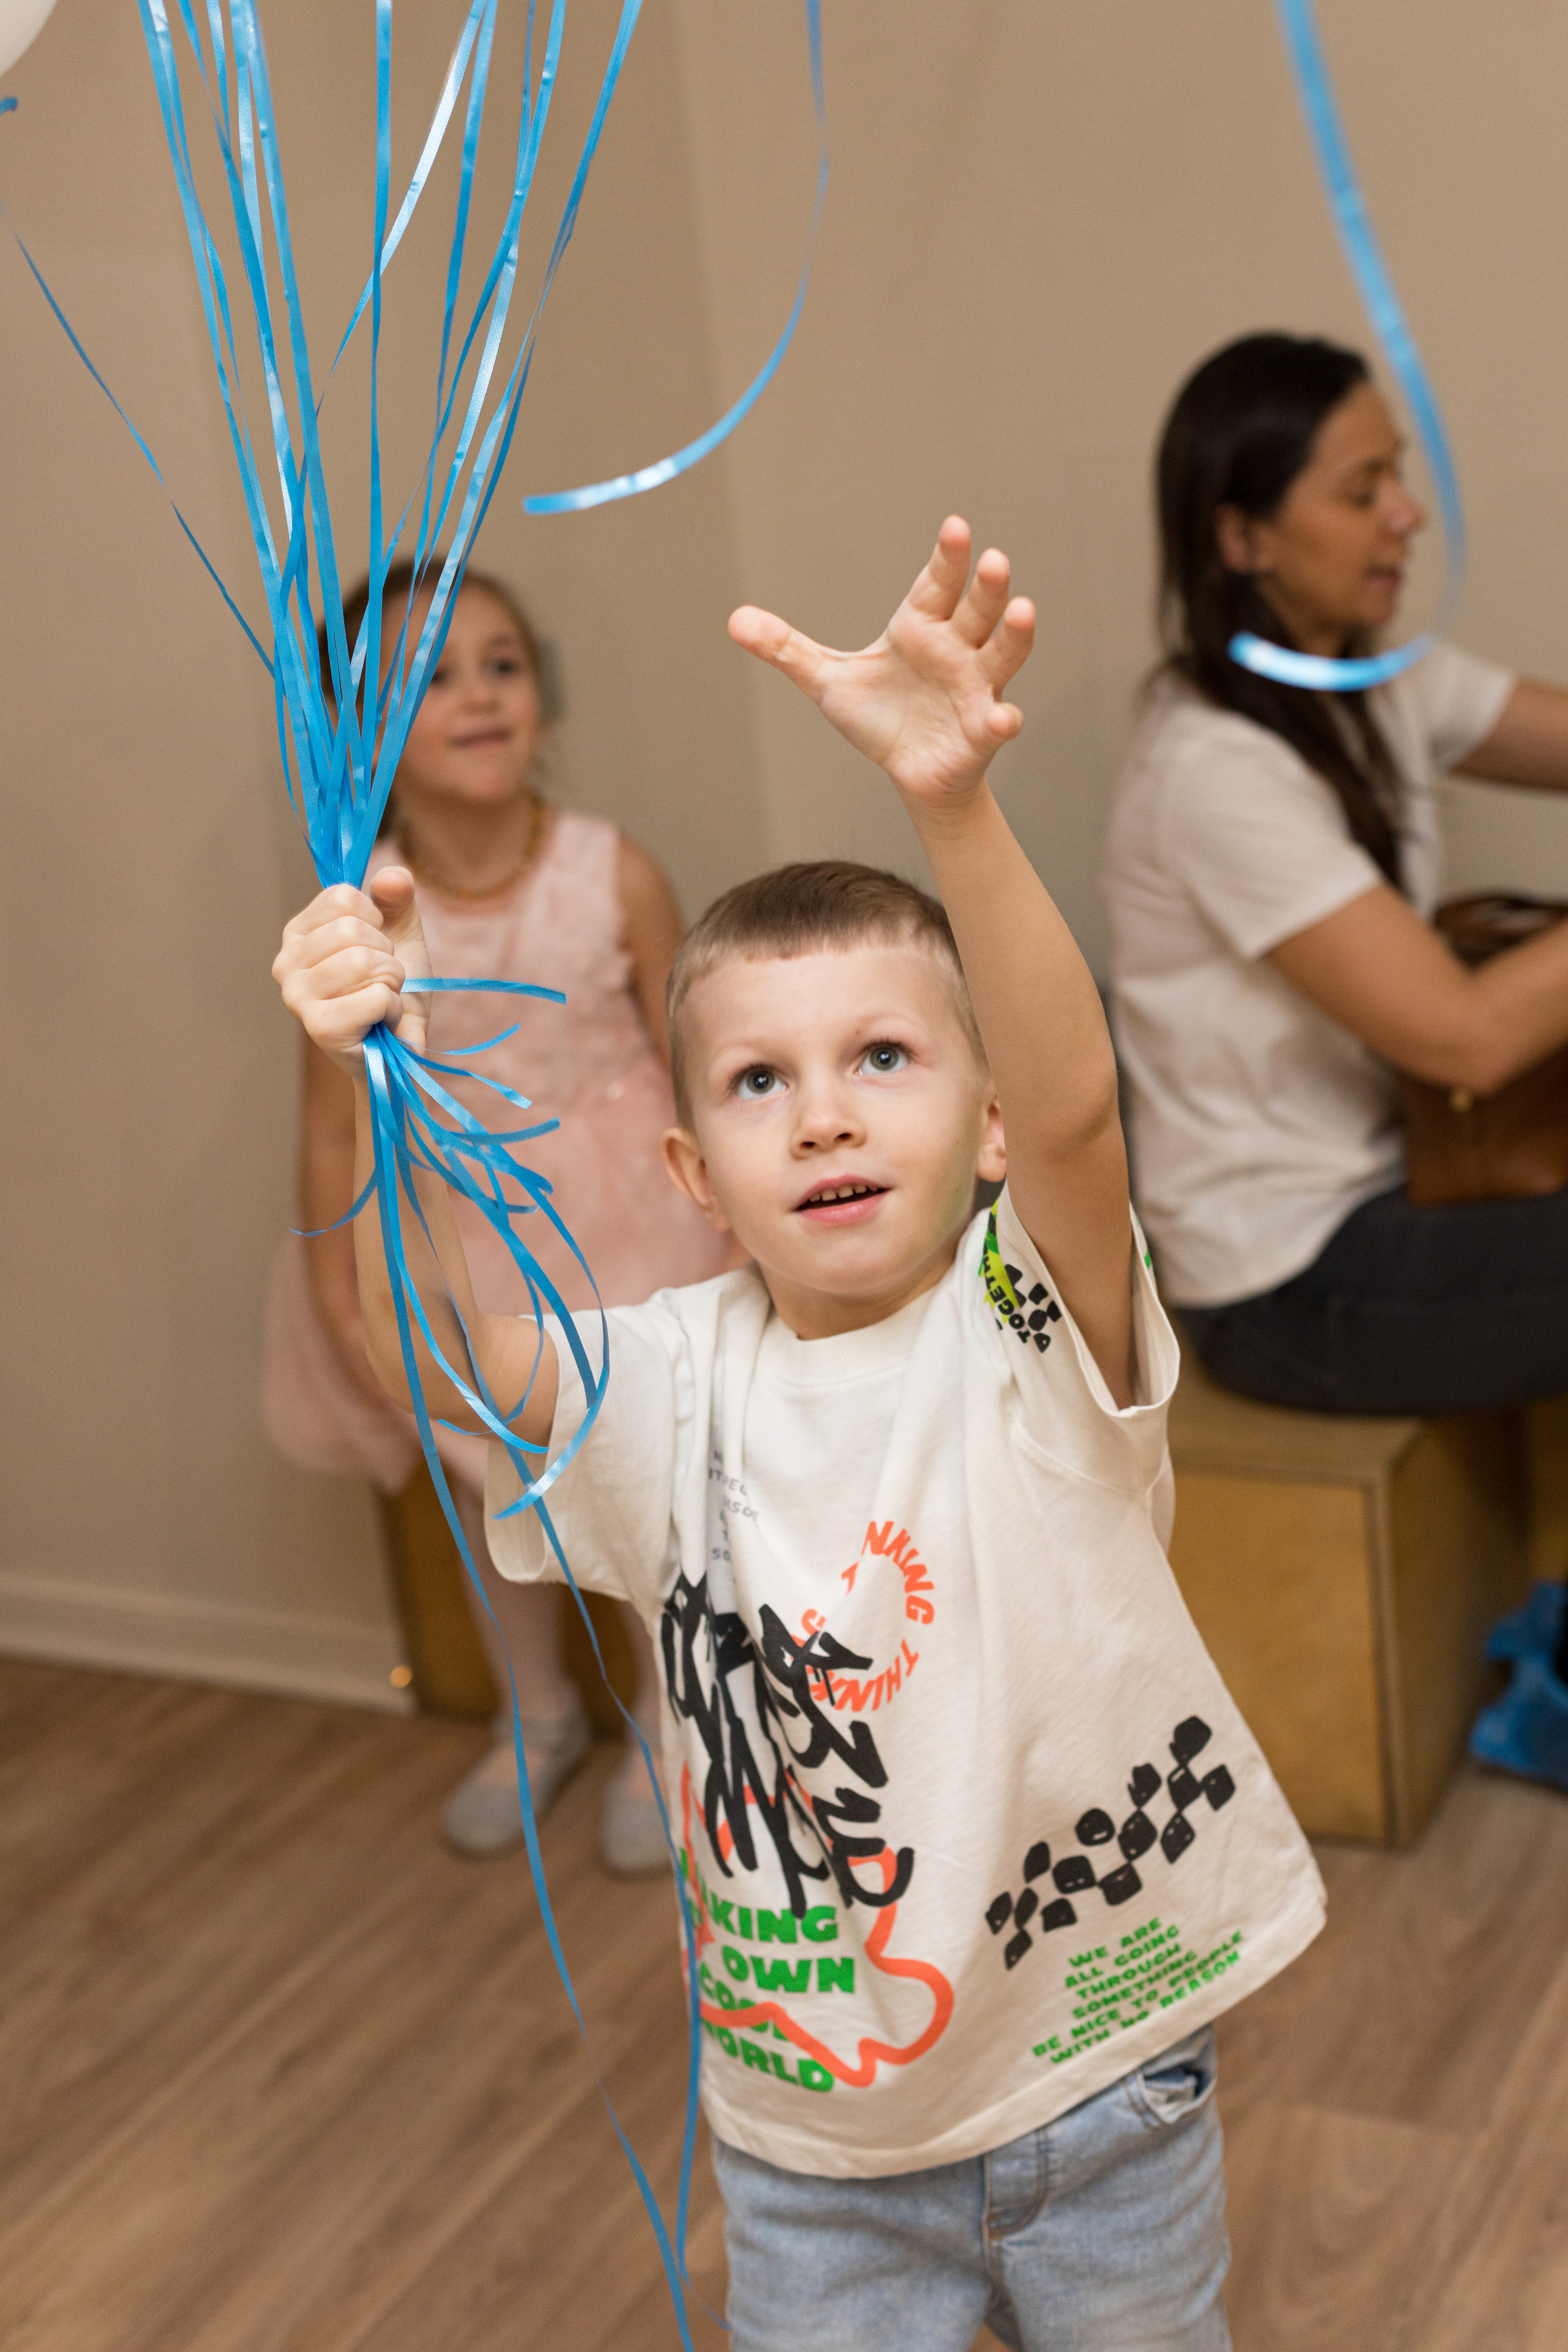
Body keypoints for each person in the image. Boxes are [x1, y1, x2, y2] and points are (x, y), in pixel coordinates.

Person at [273, 519, 1325, 2351]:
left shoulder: (1025, 1322)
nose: (824, 1117)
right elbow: (430, 1349)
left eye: (882, 1059)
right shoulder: (671, 1375)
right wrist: (364, 1058)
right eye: (762, 1083)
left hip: (1100, 2085)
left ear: (982, 1127)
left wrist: (953, 807)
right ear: (695, 1175)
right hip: (811, 2147)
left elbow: (1078, 1115)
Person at [1102, 330, 1568, 1786]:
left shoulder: (1371, 681)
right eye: (1360, 490)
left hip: (1387, 1197)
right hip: (1286, 1282)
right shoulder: (1214, 768)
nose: (1404, 517)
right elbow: (1462, 1038)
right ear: (1241, 538)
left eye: (1396, 479)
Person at [262, 559, 732, 1871]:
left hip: (632, 1235)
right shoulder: (358, 920)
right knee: (492, 1496)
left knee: (640, 1492)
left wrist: (741, 1211)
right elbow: (331, 1121)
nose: (477, 695)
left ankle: (668, 1725)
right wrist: (336, 1285)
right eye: (430, 679)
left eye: (502, 666)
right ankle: (536, 1715)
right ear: (355, 736)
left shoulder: (611, 870)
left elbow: (697, 1054)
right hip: (461, 1247)